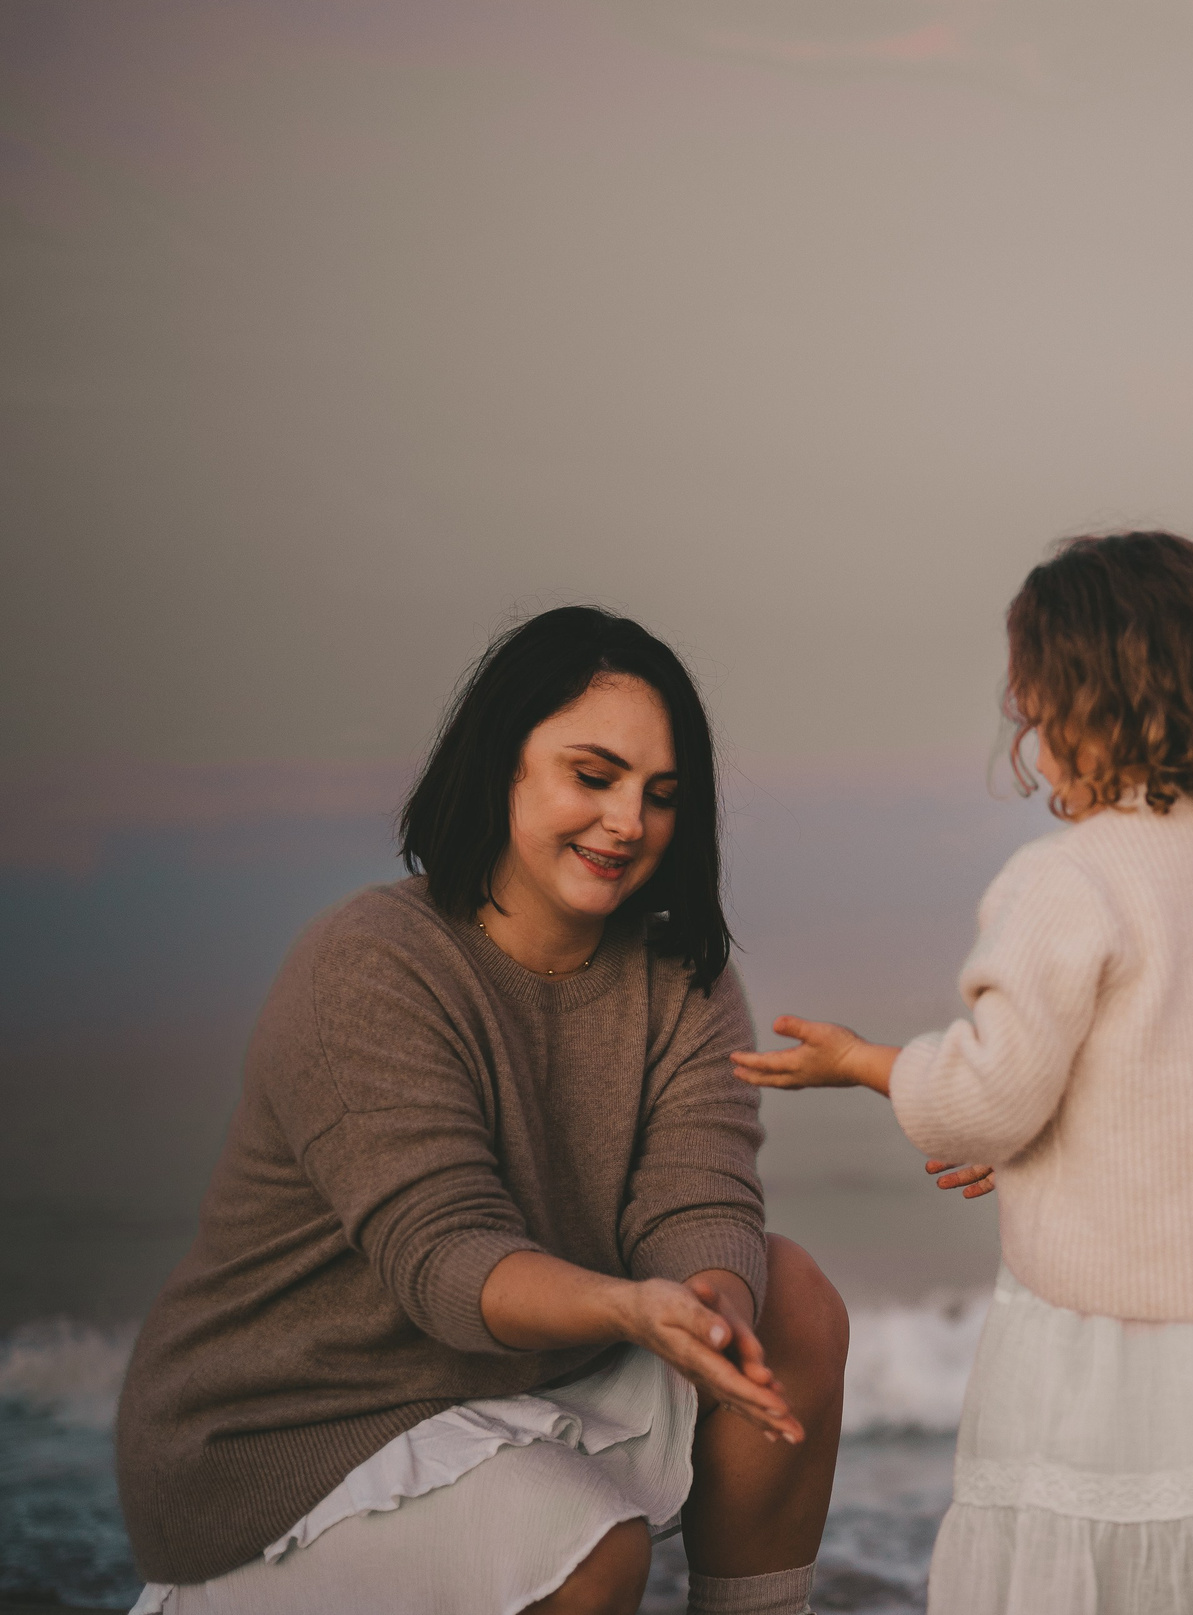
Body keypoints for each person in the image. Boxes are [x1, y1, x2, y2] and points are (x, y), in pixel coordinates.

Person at [733, 531, 1193, 1614]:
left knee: (1103, 1567)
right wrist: (1055, 1161)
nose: (1029, 734)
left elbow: (987, 1097)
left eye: (1035, 706)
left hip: (1111, 1342)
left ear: (1085, 706)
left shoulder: (1071, 878)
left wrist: (864, 1062)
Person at [114, 606, 849, 1615]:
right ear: (503, 765)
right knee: (591, 1554)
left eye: (661, 793)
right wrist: (629, 1305)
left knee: (789, 1300)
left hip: (525, 1383)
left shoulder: (680, 974)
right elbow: (445, 1258)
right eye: (593, 777)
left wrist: (707, 1300)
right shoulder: (370, 962)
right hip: (300, 1434)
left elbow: (696, 1197)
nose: (629, 821)